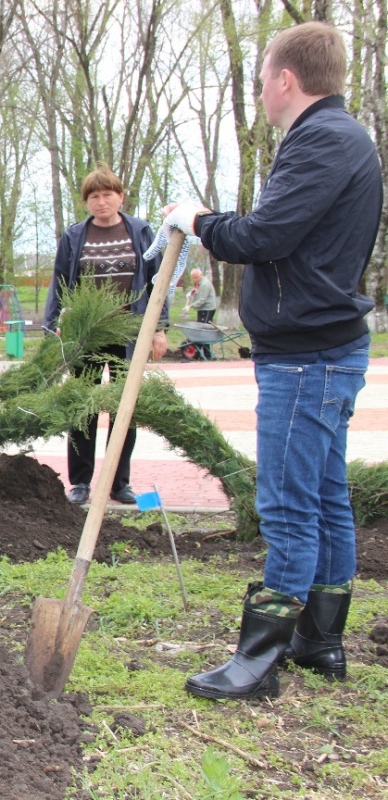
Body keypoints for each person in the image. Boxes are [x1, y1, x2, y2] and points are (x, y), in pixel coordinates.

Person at [155, 22, 381, 701]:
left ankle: (260, 657)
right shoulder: (339, 140)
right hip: (323, 347)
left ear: (286, 79)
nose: (257, 93)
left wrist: (197, 221)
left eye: (260, 80)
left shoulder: (322, 143)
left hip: (307, 356)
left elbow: (265, 235)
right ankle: (321, 640)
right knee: (324, 496)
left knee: (287, 503)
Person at [44, 164, 168, 507]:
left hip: (129, 333)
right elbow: (61, 282)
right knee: (83, 407)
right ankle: (80, 483)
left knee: (124, 409)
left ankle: (118, 483)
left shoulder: (141, 232)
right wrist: (55, 322)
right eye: (94, 196)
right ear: (87, 202)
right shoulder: (74, 237)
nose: (101, 202)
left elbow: (159, 281)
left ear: (120, 196)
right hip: (88, 334)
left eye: (107, 195)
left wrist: (159, 328)